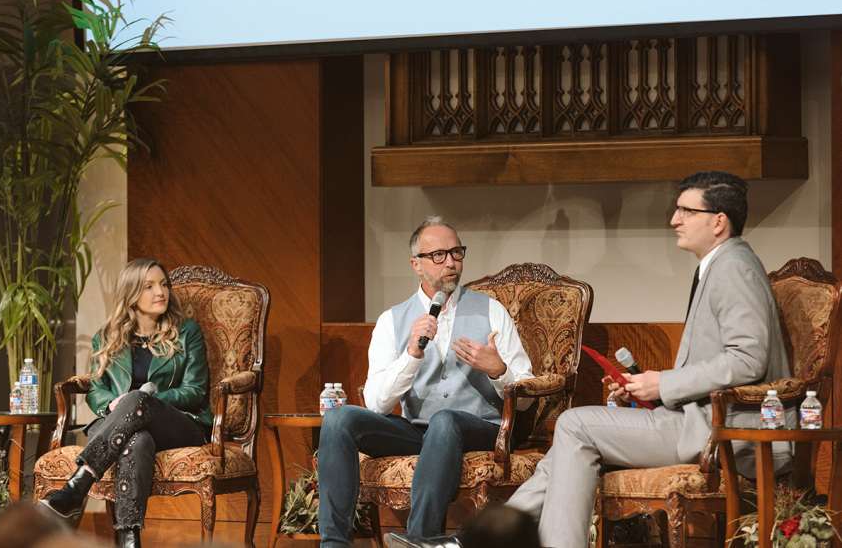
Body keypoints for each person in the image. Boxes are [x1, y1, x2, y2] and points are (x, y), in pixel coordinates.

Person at [393, 171, 793, 548]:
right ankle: (466, 541)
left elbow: (747, 359)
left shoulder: (733, 267)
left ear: (719, 221)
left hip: (721, 428)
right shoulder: (718, 266)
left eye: (687, 211)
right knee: (563, 455)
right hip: (693, 417)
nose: (675, 219)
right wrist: (646, 388)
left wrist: (665, 384)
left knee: (574, 422)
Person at [317, 216, 534, 548]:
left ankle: (420, 540)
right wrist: (411, 355)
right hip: (419, 431)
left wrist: (498, 370)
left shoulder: (490, 311)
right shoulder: (392, 320)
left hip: (483, 430)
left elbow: (527, 396)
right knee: (338, 418)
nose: (451, 262)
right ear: (416, 264)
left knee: (446, 421)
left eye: (456, 253)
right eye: (439, 255)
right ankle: (334, 544)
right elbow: (376, 403)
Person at [37, 259, 213, 548]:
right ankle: (129, 542)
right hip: (119, 427)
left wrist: (145, 400)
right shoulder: (106, 338)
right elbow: (96, 391)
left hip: (178, 423)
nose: (161, 292)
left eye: (164, 284)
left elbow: (194, 390)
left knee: (137, 400)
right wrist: (111, 405)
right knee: (138, 441)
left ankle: (74, 489)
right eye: (149, 286)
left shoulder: (187, 331)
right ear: (131, 295)